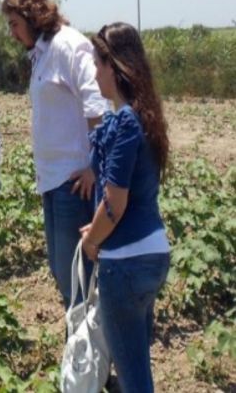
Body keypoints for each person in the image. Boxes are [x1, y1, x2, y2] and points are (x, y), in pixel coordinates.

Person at [1, 0, 109, 309]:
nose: (12, 33)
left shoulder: (69, 47)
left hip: (73, 181)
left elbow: (98, 109)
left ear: (32, 16)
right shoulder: (42, 53)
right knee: (62, 273)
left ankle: (84, 353)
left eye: (14, 24)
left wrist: (95, 165)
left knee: (75, 276)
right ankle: (76, 349)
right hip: (50, 179)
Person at [81, 22, 171, 392]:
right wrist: (97, 229)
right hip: (153, 255)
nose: (94, 73)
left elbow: (115, 202)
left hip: (126, 263)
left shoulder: (125, 124)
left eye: (97, 64)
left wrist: (92, 242)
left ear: (114, 67)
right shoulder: (145, 118)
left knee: (133, 378)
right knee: (137, 364)